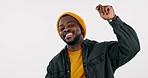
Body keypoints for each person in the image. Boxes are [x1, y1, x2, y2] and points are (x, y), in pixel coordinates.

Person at [45, 4, 140, 78]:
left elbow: (131, 48)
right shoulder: (55, 64)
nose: (65, 30)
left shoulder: (102, 50)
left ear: (81, 29)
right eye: (62, 28)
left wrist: (113, 19)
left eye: (70, 25)